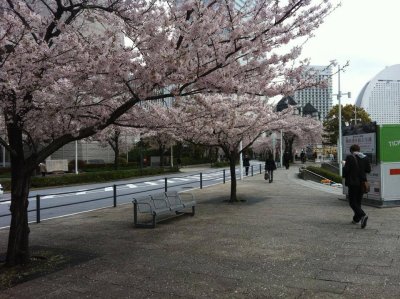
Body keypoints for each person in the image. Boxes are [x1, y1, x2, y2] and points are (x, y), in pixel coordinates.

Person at [342, 144, 371, 229]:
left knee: (352, 202)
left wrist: (344, 165)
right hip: (362, 182)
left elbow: (346, 170)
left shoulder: (350, 157)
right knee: (358, 202)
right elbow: (368, 170)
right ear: (359, 150)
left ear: (351, 150)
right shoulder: (365, 157)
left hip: (353, 182)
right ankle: (356, 219)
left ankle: (363, 215)